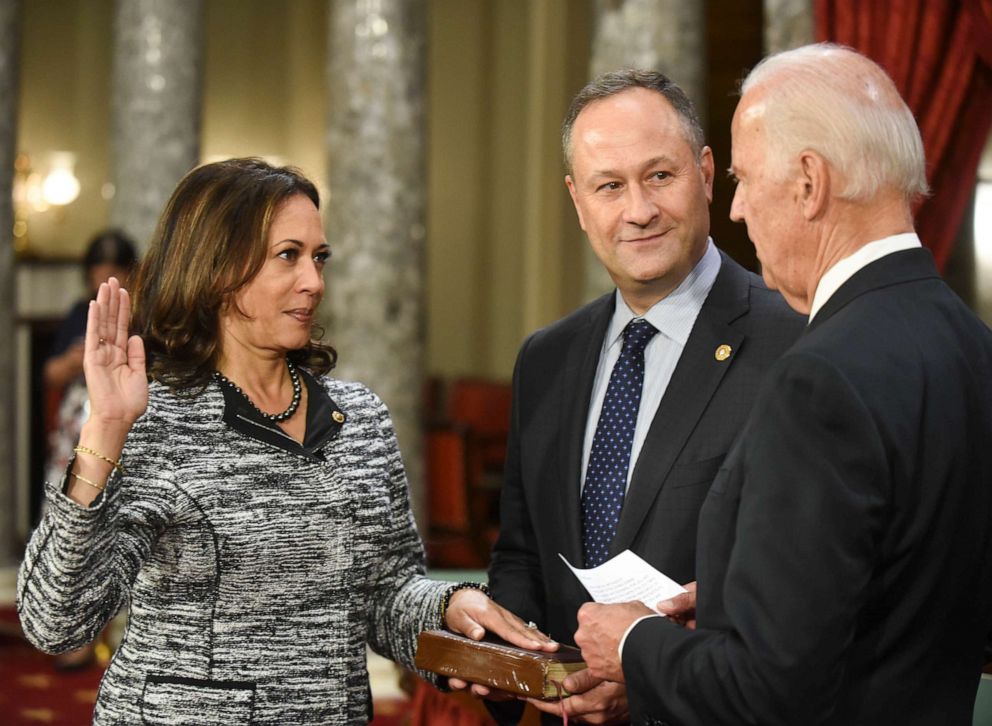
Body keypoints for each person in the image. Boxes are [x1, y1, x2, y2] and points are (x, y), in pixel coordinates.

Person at [17, 158, 555, 724]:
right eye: (288, 255)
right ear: (218, 268)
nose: (314, 282)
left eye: (318, 257)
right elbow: (56, 620)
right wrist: (105, 429)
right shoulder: (152, 417)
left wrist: (451, 607)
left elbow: (385, 596)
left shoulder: (362, 419)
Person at [574, 44, 992, 726]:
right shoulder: (972, 344)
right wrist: (747, 593)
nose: (736, 209)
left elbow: (766, 693)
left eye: (742, 178)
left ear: (807, 182)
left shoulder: (819, 376)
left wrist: (631, 641)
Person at [481, 70, 804, 724]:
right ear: (577, 202)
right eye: (609, 186)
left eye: (660, 176)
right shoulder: (545, 359)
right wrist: (500, 656)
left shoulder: (797, 349)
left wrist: (650, 673)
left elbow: (803, 591)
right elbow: (521, 552)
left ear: (708, 173)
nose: (638, 210)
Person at [40, 230, 138, 671]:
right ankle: (71, 625)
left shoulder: (143, 315)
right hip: (78, 428)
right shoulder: (80, 312)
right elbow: (51, 372)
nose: (107, 280)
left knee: (123, 519)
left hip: (127, 427)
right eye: (100, 273)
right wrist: (80, 360)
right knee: (72, 515)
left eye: (116, 272)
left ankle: (116, 626)